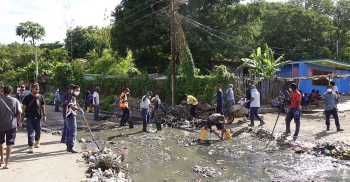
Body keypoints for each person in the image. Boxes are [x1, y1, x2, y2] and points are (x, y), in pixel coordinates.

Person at [0, 85, 22, 169]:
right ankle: (7, 163)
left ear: (3, 91)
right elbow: (19, 113)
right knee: (9, 144)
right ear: (11, 92)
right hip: (11, 125)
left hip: (1, 125)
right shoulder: (15, 100)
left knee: (0, 143)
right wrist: (19, 122)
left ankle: (1, 160)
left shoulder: (0, 101)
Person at [22, 83, 47, 153]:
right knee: (30, 132)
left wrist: (44, 115)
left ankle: (37, 141)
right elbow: (24, 106)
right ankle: (31, 146)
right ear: (32, 89)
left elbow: (42, 106)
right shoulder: (27, 97)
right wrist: (21, 114)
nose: (37, 90)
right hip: (29, 117)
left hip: (38, 117)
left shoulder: (40, 97)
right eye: (36, 89)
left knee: (38, 130)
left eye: (38, 89)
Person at [66, 85, 84, 153]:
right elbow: (72, 106)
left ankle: (68, 146)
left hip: (69, 116)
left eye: (79, 91)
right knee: (73, 132)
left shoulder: (73, 97)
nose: (78, 92)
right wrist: (79, 109)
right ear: (73, 90)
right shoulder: (71, 97)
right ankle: (70, 147)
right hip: (71, 116)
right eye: (76, 90)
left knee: (69, 132)